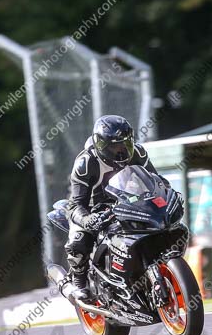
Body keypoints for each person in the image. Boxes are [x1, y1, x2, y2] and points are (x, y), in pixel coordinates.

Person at [64, 115, 167, 302]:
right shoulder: (86, 163)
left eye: (125, 144)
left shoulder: (138, 153)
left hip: (128, 201)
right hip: (93, 209)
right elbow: (75, 204)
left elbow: (157, 181)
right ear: (101, 145)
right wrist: (87, 219)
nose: (121, 151)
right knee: (79, 240)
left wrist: (166, 193)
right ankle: (79, 282)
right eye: (114, 146)